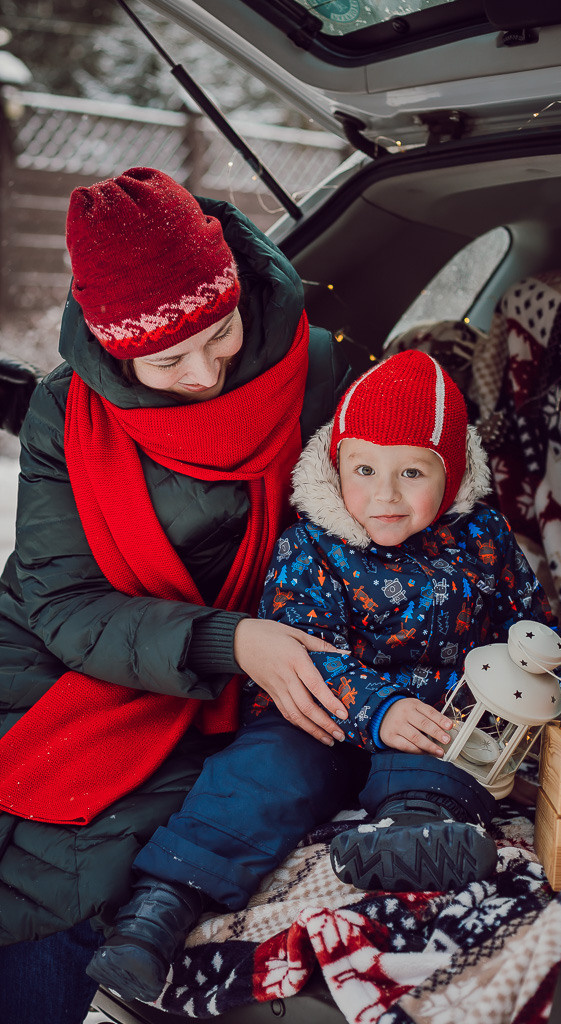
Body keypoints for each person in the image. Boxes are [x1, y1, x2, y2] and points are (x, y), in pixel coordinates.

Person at [86, 350, 561, 1005]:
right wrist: (378, 709)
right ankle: (159, 911)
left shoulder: (484, 537)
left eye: (411, 471)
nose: (383, 495)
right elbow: (307, 651)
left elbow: (530, 630)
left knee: (455, 750)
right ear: (336, 468)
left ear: (454, 471)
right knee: (257, 777)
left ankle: (415, 834)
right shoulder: (312, 543)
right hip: (316, 717)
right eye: (363, 469)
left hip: (433, 715)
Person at [0, 166, 356, 1024]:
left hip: (252, 671)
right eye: (166, 358)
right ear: (118, 347)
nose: (203, 372)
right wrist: (230, 643)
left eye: (221, 332)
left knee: (98, 866)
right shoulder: (66, 412)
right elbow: (58, 598)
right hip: (65, 657)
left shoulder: (316, 367)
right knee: (53, 852)